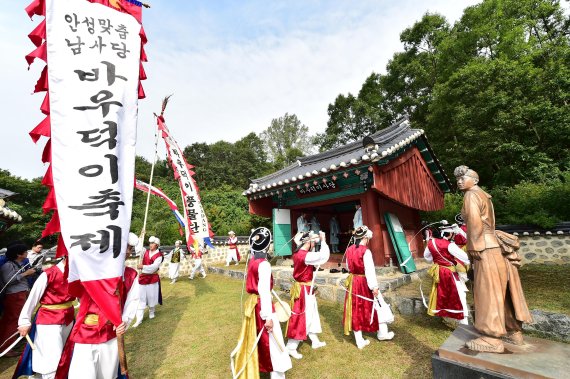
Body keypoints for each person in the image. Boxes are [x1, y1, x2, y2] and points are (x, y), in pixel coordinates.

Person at [455, 165, 532, 353]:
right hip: (494, 248)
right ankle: (513, 332)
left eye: (463, 177)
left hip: (483, 247)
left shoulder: (471, 195)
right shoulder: (484, 195)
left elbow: (474, 222)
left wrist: (473, 246)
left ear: (475, 180)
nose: (459, 180)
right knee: (502, 291)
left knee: (487, 291)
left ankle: (491, 338)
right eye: (457, 178)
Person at [56, 232, 140, 378]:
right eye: (126, 247)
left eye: (130, 249)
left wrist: (125, 320)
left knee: (107, 375)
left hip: (111, 333)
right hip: (85, 331)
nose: (128, 252)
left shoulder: (131, 275)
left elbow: (133, 300)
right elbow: (76, 286)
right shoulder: (91, 269)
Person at [231, 228, 292, 378]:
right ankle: (277, 374)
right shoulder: (263, 264)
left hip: (253, 304)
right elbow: (263, 291)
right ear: (267, 246)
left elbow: (260, 287)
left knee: (258, 338)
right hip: (261, 305)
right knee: (272, 341)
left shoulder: (253, 261)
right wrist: (268, 317)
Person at [16, 256, 75, 379]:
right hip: (49, 320)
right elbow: (33, 298)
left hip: (68, 319)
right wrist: (24, 321)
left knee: (66, 355)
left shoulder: (77, 273)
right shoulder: (48, 274)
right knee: (51, 358)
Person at [343, 226, 394, 349]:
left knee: (355, 308)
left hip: (353, 281)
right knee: (376, 304)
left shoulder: (349, 249)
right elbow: (369, 271)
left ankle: (359, 340)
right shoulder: (366, 251)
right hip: (363, 282)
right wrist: (374, 287)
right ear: (365, 237)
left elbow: (348, 267)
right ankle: (382, 333)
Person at [285, 231, 330, 359]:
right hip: (303, 289)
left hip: (305, 287)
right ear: (307, 242)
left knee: (311, 313)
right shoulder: (305, 255)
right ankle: (291, 347)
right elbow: (323, 257)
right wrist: (323, 240)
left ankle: (314, 340)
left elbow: (315, 260)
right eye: (311, 242)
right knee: (301, 316)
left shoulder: (299, 254)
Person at [423, 224, 470, 325]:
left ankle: (451, 316)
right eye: (453, 233)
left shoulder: (431, 243)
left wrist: (437, 260)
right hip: (449, 272)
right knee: (459, 294)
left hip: (439, 271)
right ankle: (463, 321)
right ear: (449, 234)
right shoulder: (449, 245)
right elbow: (466, 258)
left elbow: (427, 257)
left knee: (442, 293)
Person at [0, 241, 36, 357]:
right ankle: (6, 348)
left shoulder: (18, 264)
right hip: (14, 295)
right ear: (18, 254)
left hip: (20, 293)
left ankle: (12, 342)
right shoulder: (8, 265)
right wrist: (25, 274)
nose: (26, 253)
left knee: (15, 320)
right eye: (25, 252)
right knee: (13, 321)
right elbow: (8, 281)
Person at [133, 236, 163, 327]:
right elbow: (138, 248)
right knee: (141, 297)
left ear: (157, 245)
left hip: (152, 278)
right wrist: (140, 238)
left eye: (153, 243)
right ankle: (139, 319)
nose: (150, 245)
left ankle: (151, 311)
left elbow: (154, 267)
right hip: (143, 278)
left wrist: (143, 267)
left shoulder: (159, 256)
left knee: (151, 296)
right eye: (150, 243)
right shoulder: (145, 251)